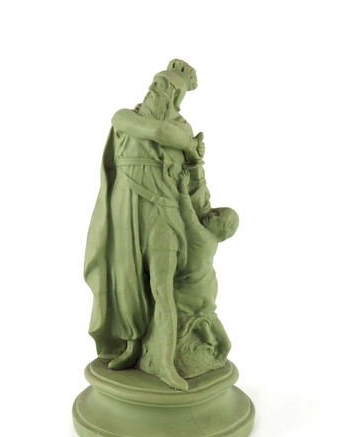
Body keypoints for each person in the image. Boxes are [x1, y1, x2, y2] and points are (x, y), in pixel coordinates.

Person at [84, 60, 205, 390]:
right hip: (125, 207)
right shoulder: (125, 117)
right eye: (154, 82)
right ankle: (132, 346)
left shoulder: (183, 127)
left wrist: (190, 151)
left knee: (162, 288)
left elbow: (191, 170)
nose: (153, 88)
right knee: (127, 280)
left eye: (163, 86)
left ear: (175, 97)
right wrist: (187, 144)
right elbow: (160, 133)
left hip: (164, 212)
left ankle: (165, 362)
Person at [174, 170, 239, 378]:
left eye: (217, 217)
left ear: (222, 231)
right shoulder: (211, 242)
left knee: (184, 315)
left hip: (191, 289)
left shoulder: (202, 237)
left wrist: (182, 189)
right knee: (208, 315)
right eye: (216, 211)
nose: (212, 213)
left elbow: (188, 217)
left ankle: (201, 340)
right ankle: (221, 344)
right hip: (207, 288)